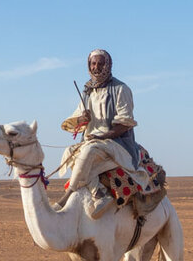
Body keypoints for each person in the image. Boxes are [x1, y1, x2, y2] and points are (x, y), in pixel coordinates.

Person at [59, 49, 140, 218]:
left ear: (108, 65)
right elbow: (77, 121)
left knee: (88, 151)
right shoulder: (87, 91)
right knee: (69, 152)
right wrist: (83, 118)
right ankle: (98, 192)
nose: (96, 67)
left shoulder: (120, 89)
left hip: (116, 143)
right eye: (93, 64)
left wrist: (102, 136)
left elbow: (125, 124)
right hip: (92, 141)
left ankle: (66, 197)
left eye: (100, 63)